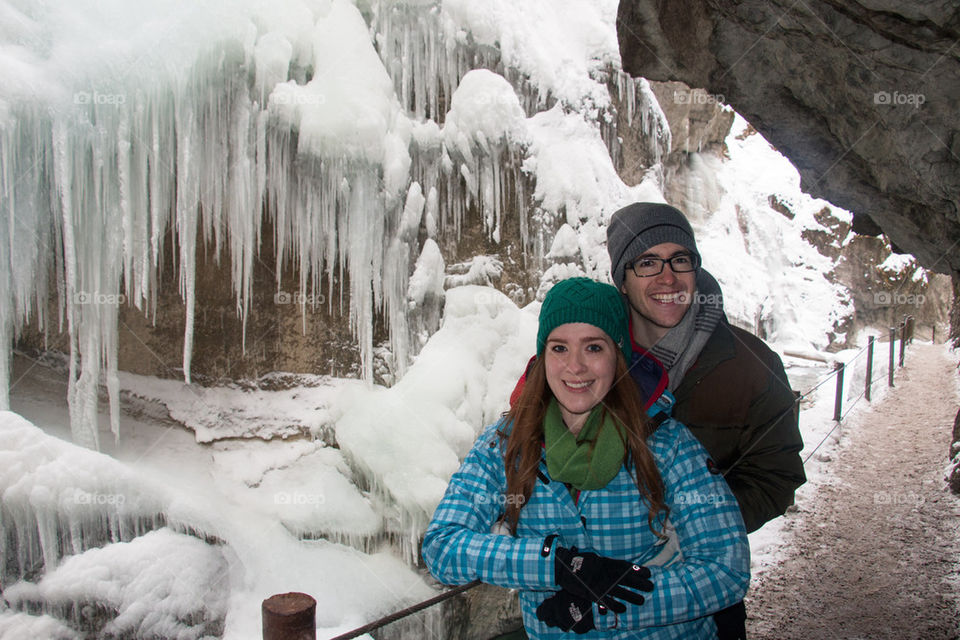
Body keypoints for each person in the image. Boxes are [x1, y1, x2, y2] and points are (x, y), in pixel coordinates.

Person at [423, 277, 749, 638]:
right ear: (542, 356)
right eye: (559, 348)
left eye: (593, 348)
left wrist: (603, 608)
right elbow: (442, 546)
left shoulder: (666, 444)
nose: (574, 367)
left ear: (618, 355)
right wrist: (556, 565)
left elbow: (726, 568)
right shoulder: (505, 445)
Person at [606, 201, 807, 637]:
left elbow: (776, 475)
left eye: (681, 259)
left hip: (705, 602)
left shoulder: (752, 364)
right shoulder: (593, 359)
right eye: (647, 262)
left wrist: (694, 529)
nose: (667, 276)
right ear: (621, 279)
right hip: (602, 596)